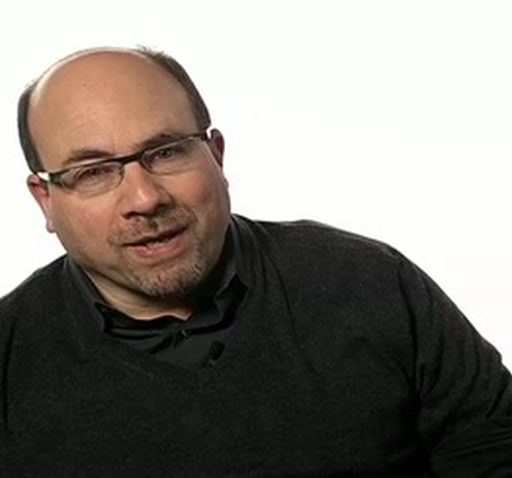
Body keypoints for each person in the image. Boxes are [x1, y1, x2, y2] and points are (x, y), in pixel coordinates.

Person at [0, 46, 510, 476]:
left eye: (167, 152)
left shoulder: (370, 283)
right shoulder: (9, 355)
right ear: (46, 201)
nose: (144, 198)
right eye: (93, 172)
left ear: (216, 155)